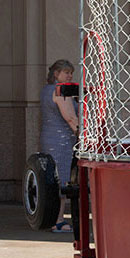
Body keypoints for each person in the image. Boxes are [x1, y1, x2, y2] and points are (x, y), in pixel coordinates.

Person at [40, 59, 79, 233]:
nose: (69, 75)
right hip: (62, 141)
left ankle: (53, 218)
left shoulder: (45, 90)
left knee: (51, 179)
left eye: (71, 72)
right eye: (65, 72)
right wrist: (82, 134)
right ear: (56, 74)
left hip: (49, 137)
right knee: (62, 179)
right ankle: (59, 220)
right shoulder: (61, 91)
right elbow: (70, 117)